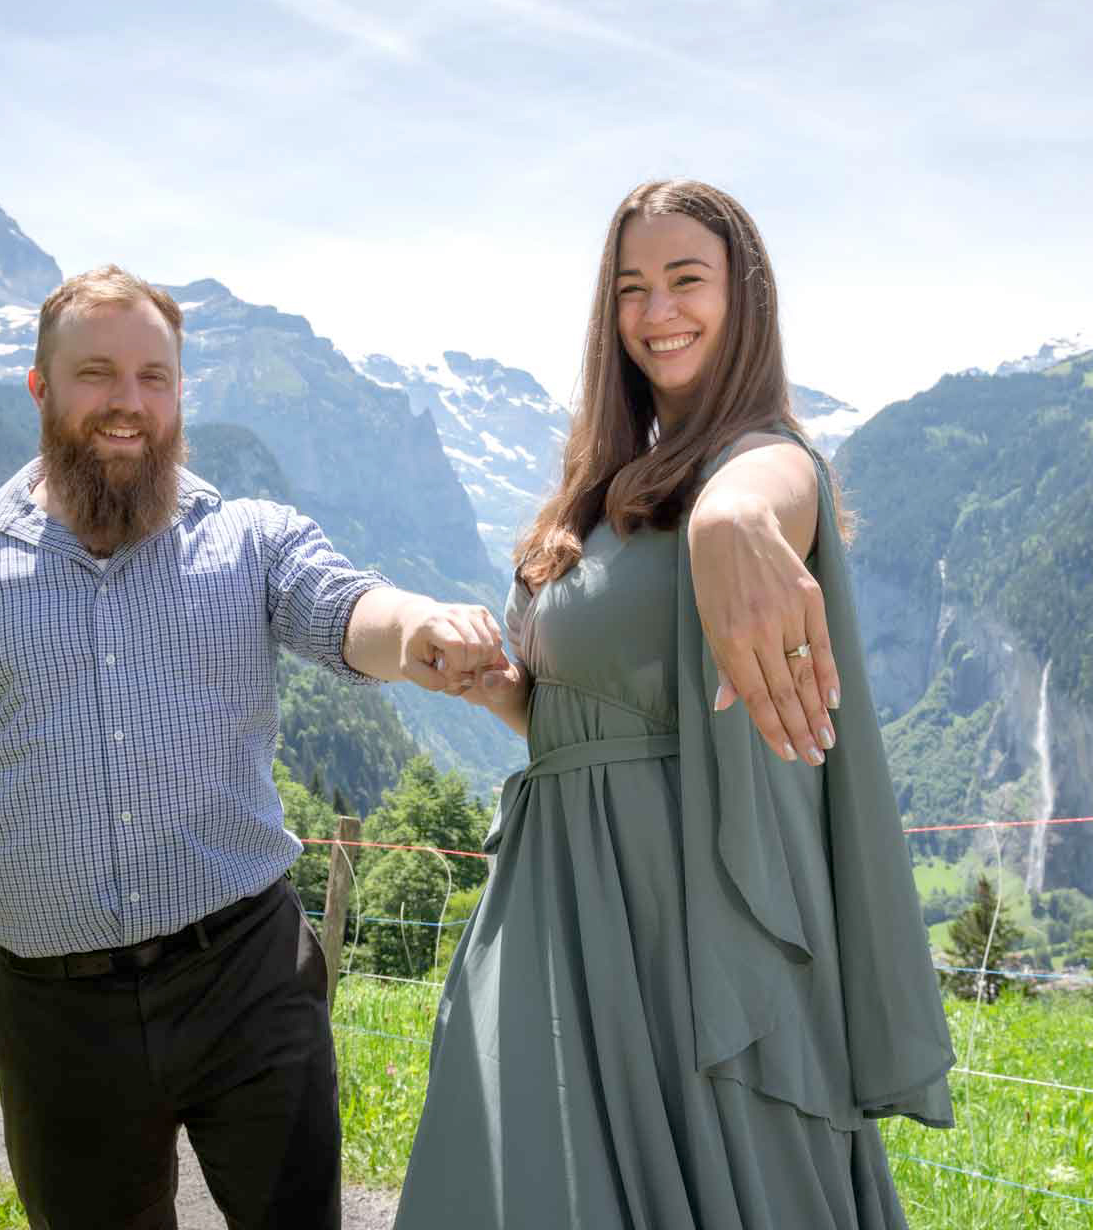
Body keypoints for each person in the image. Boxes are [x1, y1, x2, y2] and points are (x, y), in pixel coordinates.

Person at [0, 264, 505, 1230]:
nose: (128, 403)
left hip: (248, 976)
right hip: (56, 1014)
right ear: (41, 387)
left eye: (154, 377)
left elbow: (346, 606)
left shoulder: (250, 541)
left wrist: (421, 630)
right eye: (98, 374)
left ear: (180, 393)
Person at [394, 181, 955, 1229]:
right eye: (632, 288)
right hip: (560, 898)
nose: (658, 313)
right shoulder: (601, 493)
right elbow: (615, 723)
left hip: (693, 920)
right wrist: (512, 691)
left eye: (686, 280)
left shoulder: (764, 461)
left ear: (744, 296)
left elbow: (768, 494)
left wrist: (727, 523)